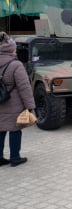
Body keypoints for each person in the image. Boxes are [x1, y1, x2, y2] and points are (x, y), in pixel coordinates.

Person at [0, 32, 36, 167]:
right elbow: (24, 88)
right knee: (15, 130)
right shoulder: (16, 65)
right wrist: (30, 107)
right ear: (11, 49)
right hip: (14, 104)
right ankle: (15, 157)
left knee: (1, 130)